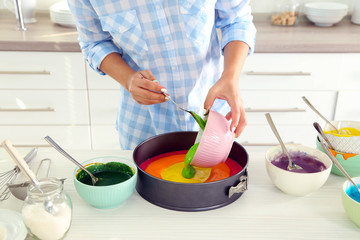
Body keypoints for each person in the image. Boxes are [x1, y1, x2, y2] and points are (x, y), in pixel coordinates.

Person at [68, 0, 256, 150]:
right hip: (143, 128)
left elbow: (237, 21)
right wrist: (129, 79)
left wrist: (230, 76)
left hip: (214, 120)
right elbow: (94, 43)